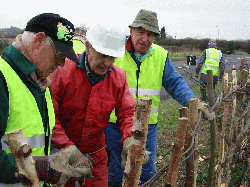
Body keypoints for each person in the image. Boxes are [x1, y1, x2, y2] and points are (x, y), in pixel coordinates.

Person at [105, 9, 198, 186]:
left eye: (150, 34)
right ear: (130, 31)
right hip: (114, 126)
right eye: (140, 32)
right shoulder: (115, 51)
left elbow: (174, 83)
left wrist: (192, 101)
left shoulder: (161, 55)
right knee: (114, 174)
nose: (144, 39)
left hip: (148, 128)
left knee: (145, 173)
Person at [0, 13, 91, 186]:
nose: (62, 64)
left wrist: (61, 156)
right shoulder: (3, 78)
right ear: (39, 40)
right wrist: (45, 168)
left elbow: (38, 144)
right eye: (59, 54)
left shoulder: (40, 82)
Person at [49, 22, 135, 187]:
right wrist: (67, 148)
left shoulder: (118, 78)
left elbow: (127, 112)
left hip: (96, 160)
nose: (108, 63)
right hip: (62, 158)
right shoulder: (62, 71)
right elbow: (51, 116)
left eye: (112, 57)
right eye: (103, 55)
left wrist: (129, 139)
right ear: (88, 47)